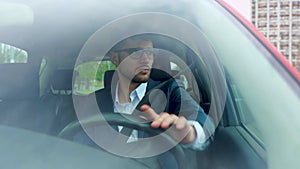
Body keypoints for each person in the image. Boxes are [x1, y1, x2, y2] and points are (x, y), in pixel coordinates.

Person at [91, 35, 215, 168]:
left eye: (150, 53)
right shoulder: (94, 102)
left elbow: (204, 122)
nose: (145, 59)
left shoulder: (169, 90)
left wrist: (189, 133)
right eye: (135, 52)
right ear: (115, 58)